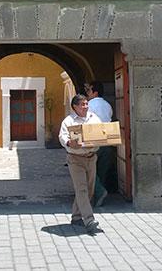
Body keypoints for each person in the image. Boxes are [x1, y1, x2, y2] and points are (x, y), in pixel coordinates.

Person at [58, 94, 102, 235]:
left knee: (89, 189)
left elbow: (102, 132)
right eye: (82, 104)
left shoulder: (94, 118)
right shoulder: (68, 121)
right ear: (75, 107)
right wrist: (70, 142)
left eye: (86, 104)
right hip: (75, 159)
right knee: (81, 189)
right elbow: (62, 137)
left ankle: (76, 217)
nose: (85, 107)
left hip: (91, 157)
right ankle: (89, 220)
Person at [85, 81, 114, 208]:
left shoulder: (89, 105)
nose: (87, 93)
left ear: (94, 92)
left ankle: (99, 191)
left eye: (89, 91)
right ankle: (98, 196)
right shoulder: (107, 105)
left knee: (89, 168)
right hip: (107, 138)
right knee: (102, 169)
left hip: (93, 138)